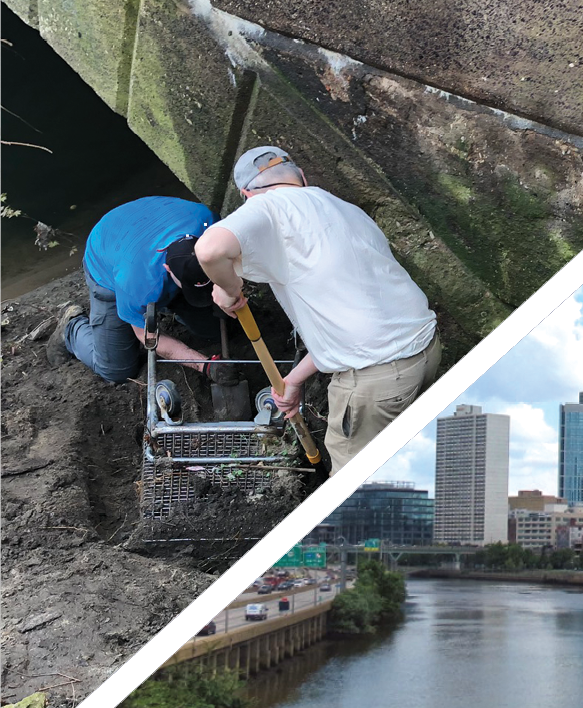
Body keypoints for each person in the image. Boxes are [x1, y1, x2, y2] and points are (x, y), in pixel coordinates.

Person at [194, 147, 440, 472]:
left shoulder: (268, 207)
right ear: (301, 178)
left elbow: (210, 250)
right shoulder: (344, 209)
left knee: (352, 480)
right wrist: (293, 381)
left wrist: (229, 290)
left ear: (246, 194)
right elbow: (351, 324)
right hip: (426, 351)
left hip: (376, 381)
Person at [47, 196, 224, 384]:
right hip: (107, 262)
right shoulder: (136, 282)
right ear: (168, 270)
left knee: (213, 329)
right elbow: (148, 337)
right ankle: (71, 328)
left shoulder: (212, 227)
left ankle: (172, 303)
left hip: (145, 223)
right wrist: (205, 365)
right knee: (117, 371)